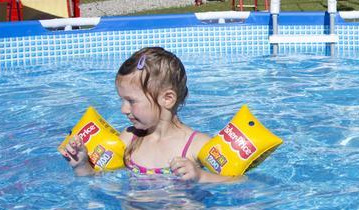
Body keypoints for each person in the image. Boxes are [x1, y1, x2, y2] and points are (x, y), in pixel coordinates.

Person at [62, 47, 233, 182]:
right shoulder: (129, 138)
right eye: (122, 100)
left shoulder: (197, 145)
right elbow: (98, 180)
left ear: (167, 99)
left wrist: (201, 176)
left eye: (131, 101)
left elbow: (238, 181)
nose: (123, 109)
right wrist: (81, 165)